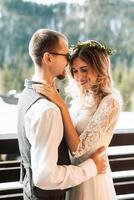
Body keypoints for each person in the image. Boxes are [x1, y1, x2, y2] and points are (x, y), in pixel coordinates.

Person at [17, 29, 106, 200]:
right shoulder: (47, 110)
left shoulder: (26, 95)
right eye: (66, 55)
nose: (69, 61)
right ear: (48, 58)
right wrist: (92, 167)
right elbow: (45, 177)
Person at [33, 40, 122, 200]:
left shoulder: (111, 101)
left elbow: (78, 149)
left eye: (84, 70)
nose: (79, 76)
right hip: (73, 175)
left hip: (92, 179)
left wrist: (61, 105)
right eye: (74, 71)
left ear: (99, 68)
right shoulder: (81, 98)